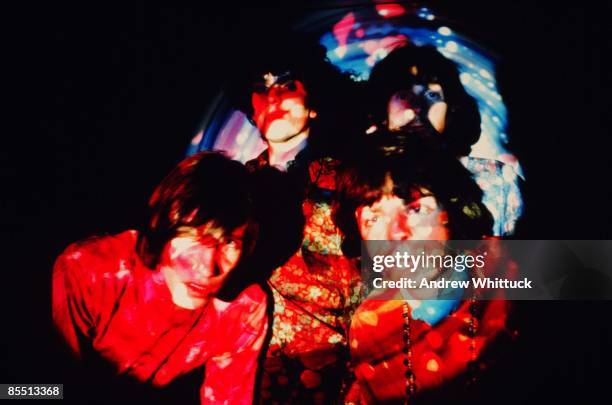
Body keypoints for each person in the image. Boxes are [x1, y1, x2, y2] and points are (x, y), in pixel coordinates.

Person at [52, 151, 303, 404]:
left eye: (228, 242)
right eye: (194, 237)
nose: (207, 269)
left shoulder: (243, 307)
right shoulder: (94, 270)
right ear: (162, 225)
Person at [228, 34, 365, 403]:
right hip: (246, 369)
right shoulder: (230, 185)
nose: (273, 97)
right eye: (261, 88)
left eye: (288, 84)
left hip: (335, 372)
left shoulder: (352, 178)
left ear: (314, 101)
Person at [334, 144, 511, 403]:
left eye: (415, 209)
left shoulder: (507, 277)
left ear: (448, 212)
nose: (396, 233)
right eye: (373, 219)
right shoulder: (370, 326)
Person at [366, 44, 523, 236]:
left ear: (451, 110)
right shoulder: (359, 184)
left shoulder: (498, 181)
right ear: (383, 109)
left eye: (432, 95)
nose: (417, 108)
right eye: (404, 95)